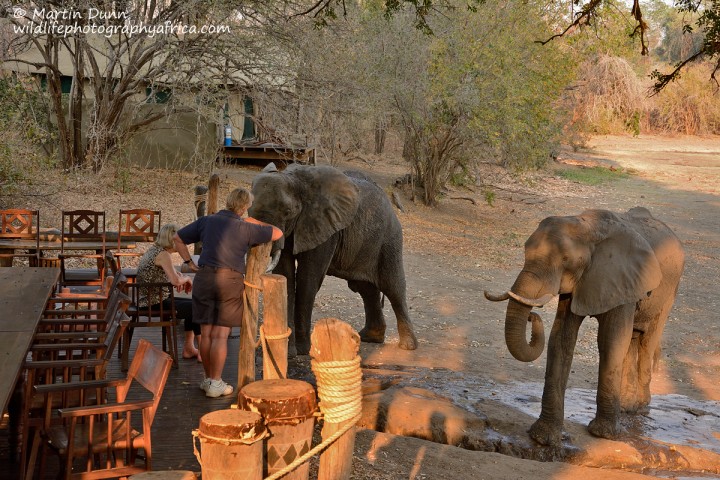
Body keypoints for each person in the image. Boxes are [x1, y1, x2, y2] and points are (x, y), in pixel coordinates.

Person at [173, 187, 283, 398]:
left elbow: (177, 238)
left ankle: (208, 379)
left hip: (204, 278)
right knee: (221, 335)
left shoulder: (207, 221)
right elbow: (277, 232)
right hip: (230, 281)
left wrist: (188, 261)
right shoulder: (245, 227)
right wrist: (254, 221)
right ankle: (216, 382)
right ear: (244, 208)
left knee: (206, 333)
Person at [135, 223, 202, 360]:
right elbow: (175, 281)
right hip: (154, 302)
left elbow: (174, 273)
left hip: (150, 298)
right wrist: (187, 278)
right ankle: (202, 350)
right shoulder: (163, 254)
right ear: (172, 240)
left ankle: (189, 349)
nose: (181, 242)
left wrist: (181, 277)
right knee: (197, 307)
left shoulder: (155, 250)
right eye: (179, 239)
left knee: (194, 304)